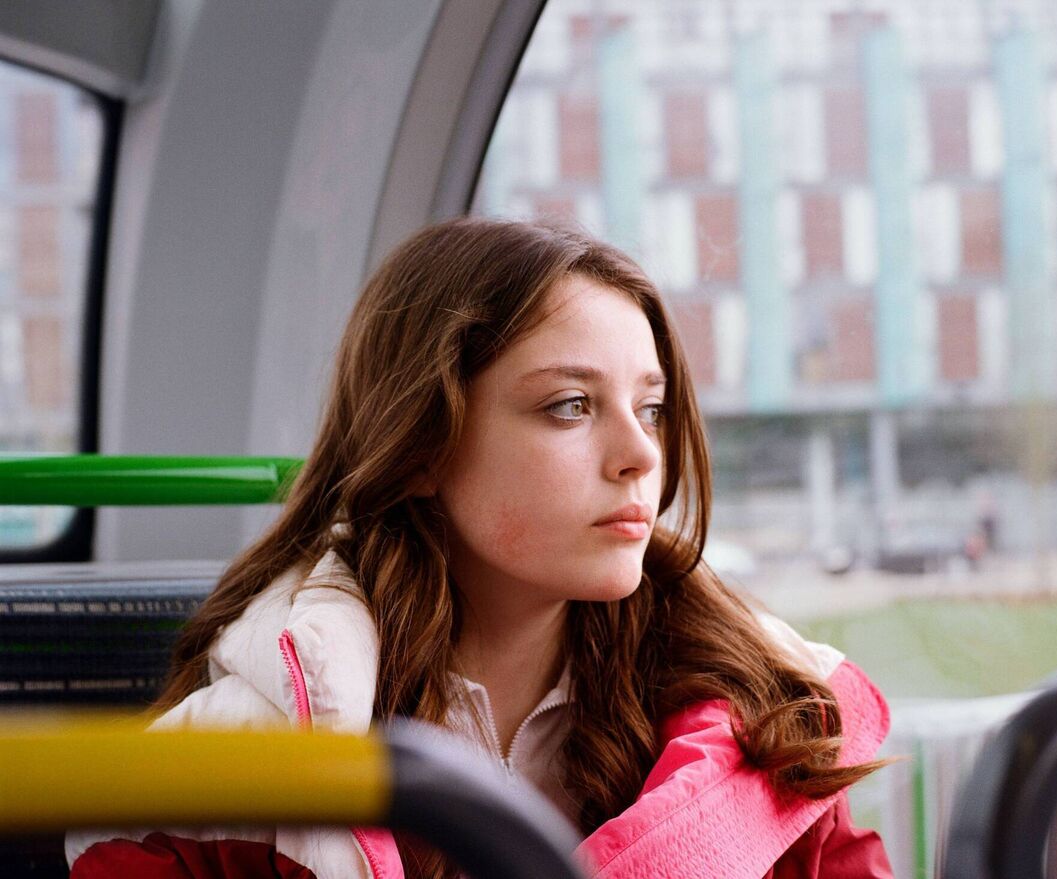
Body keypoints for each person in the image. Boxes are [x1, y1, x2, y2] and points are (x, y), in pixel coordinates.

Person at [67, 218, 893, 878]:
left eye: (651, 407)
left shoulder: (776, 722)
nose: (640, 454)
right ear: (422, 446)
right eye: (571, 405)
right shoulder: (232, 770)